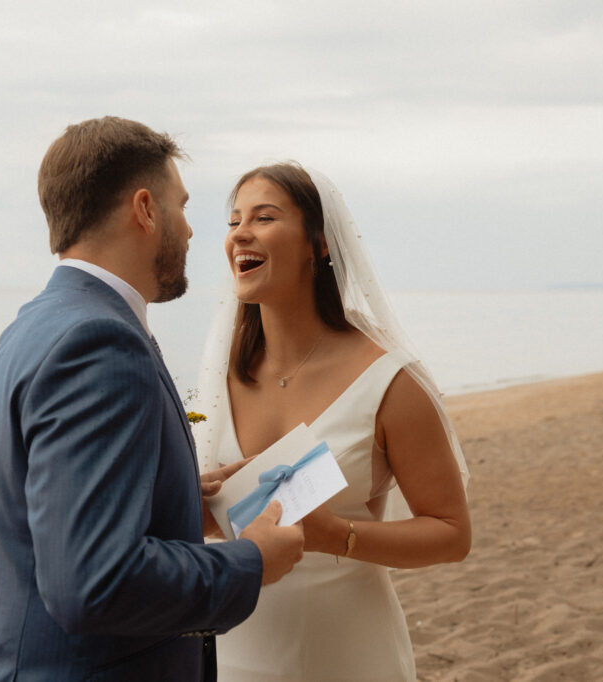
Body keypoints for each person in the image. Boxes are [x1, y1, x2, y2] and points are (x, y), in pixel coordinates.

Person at [0, 118, 304, 682]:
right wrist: (251, 561)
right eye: (181, 207)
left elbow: (45, 518)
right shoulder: (100, 344)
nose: (189, 231)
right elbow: (93, 581)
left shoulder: (37, 325)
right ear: (145, 209)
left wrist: (179, 497)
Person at [192, 163, 471, 681]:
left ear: (318, 243)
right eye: (233, 223)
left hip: (345, 653)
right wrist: (196, 507)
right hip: (235, 649)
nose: (241, 234)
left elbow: (452, 534)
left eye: (264, 217)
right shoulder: (218, 375)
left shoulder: (390, 381)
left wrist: (335, 536)